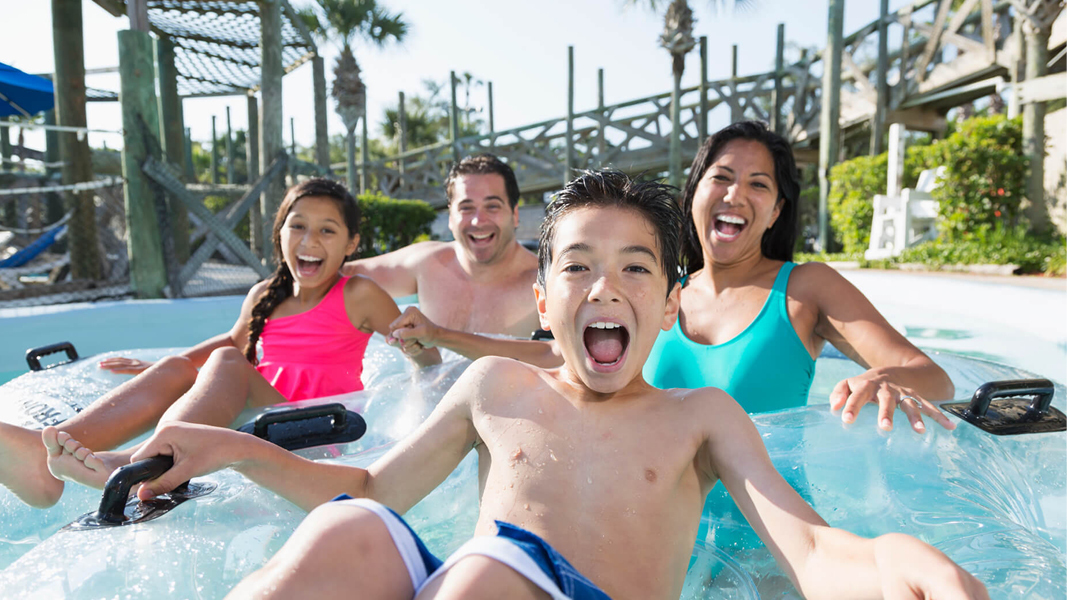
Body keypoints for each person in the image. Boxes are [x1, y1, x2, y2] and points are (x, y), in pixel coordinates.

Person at [118, 171, 986, 600]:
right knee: (348, 531)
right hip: (471, 579)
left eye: (635, 269)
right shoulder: (494, 383)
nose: (604, 288)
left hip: (542, 586)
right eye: (576, 267)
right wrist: (227, 449)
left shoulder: (698, 417)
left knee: (484, 571)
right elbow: (370, 486)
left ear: (668, 303)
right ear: (541, 299)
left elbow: (810, 549)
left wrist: (887, 562)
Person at [390, 122, 955, 434]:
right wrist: (440, 336)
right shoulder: (653, 286)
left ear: (778, 210)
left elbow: (929, 375)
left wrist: (883, 380)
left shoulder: (805, 288)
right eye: (722, 177)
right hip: (657, 528)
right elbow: (545, 353)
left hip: (766, 541)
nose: (736, 195)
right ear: (694, 192)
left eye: (759, 184)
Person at [0, 178, 438, 508]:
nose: (309, 241)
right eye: (298, 226)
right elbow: (230, 341)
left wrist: (421, 353)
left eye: (327, 231)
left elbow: (423, 351)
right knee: (179, 367)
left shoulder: (356, 293)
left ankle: (133, 461)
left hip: (315, 432)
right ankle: (45, 453)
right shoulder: (266, 294)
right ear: (279, 233)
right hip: (260, 422)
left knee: (227, 363)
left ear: (351, 244)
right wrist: (159, 369)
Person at [341, 153, 541, 338]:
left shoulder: (543, 283)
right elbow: (340, 275)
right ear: (451, 218)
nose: (478, 221)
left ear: (514, 214)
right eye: (466, 208)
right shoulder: (427, 263)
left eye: (492, 206)